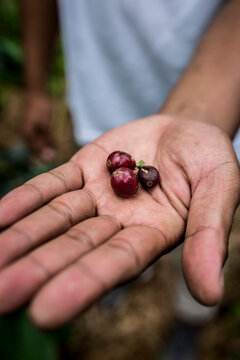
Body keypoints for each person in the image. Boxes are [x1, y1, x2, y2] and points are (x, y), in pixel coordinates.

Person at [0, 0, 239, 336]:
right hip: (97, 106)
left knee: (196, 235)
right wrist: (36, 87)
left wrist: (201, 112)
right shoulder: (115, 161)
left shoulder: (140, 170)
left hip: (216, 102)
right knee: (119, 229)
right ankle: (135, 275)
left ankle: (189, 318)